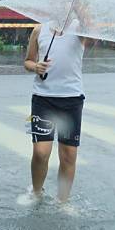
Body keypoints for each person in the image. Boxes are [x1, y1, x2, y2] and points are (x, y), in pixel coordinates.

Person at [24, 21, 90, 203]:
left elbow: (91, 31)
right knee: (40, 153)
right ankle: (36, 192)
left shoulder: (81, 29)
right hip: (42, 98)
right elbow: (27, 61)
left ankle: (63, 201)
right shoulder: (39, 29)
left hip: (72, 99)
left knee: (68, 155)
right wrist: (35, 66)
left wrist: (81, 8)